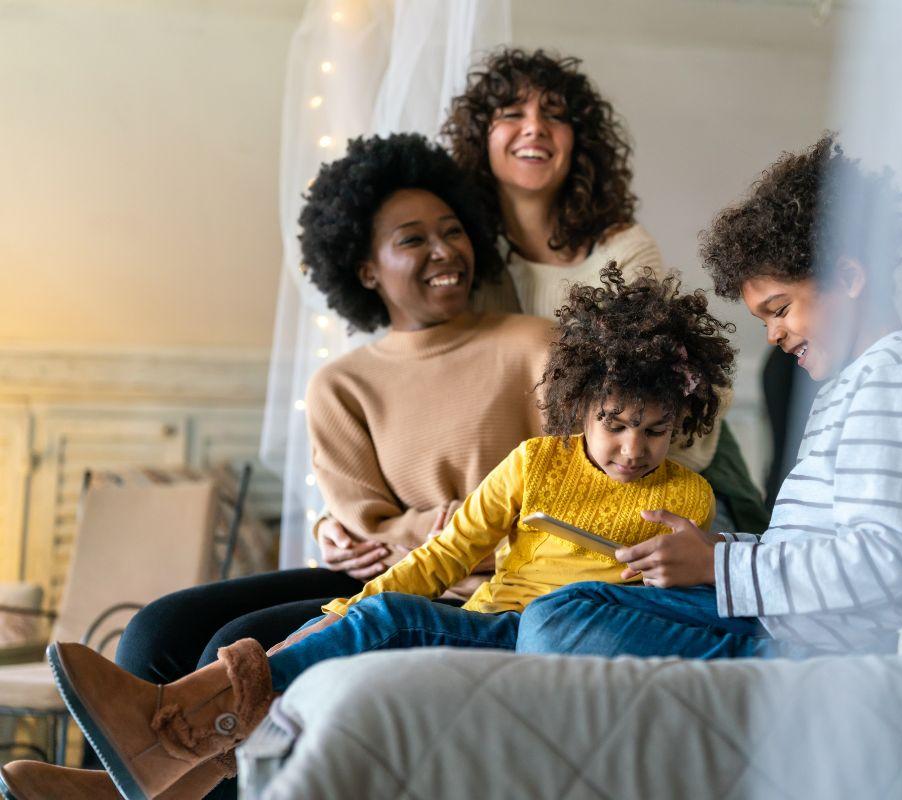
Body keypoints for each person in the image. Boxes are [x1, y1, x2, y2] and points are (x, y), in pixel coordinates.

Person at [40, 264, 735, 800]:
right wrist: (350, 606)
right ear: (583, 407)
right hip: (490, 618)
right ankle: (153, 760)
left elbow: (656, 606)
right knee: (375, 613)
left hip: (552, 637)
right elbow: (449, 553)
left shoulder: (688, 495)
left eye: (655, 431)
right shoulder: (534, 463)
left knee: (384, 619)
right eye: (614, 425)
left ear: (682, 423)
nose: (633, 449)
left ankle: (164, 734)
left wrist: (683, 565)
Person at [0, 133, 552, 800]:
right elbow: (361, 524)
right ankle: (126, 788)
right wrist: (394, 530)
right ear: (366, 267)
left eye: (453, 231)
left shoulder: (532, 346)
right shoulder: (342, 385)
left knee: (234, 646)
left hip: (476, 585)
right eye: (412, 239)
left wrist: (415, 529)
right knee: (156, 630)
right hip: (389, 575)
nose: (444, 252)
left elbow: (563, 495)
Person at [516, 133, 902, 660]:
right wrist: (715, 549)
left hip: (813, 644)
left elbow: (885, 564)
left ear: (848, 277)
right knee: (561, 607)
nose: (773, 336)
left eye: (779, 310)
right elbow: (814, 552)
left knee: (562, 618)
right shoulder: (856, 382)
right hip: (787, 621)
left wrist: (718, 568)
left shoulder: (895, 377)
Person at [441, 46, 770, 535]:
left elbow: (658, 391)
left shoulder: (623, 251)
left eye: (555, 116)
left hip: (663, 473)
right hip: (535, 486)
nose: (534, 127)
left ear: (579, 142)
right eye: (512, 114)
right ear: (479, 137)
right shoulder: (459, 259)